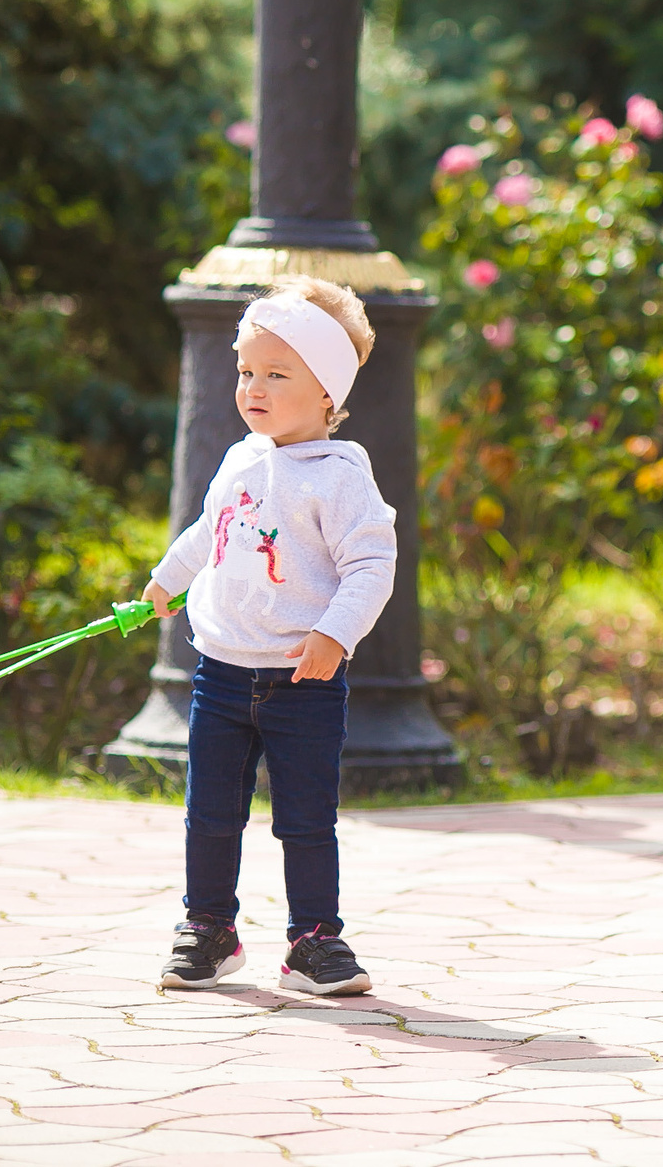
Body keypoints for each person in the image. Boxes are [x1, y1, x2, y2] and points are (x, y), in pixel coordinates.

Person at [146, 277, 397, 997]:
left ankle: (315, 939)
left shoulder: (340, 475)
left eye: (276, 375)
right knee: (211, 813)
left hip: (303, 679)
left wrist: (334, 633)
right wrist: (169, 577)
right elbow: (211, 532)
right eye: (246, 371)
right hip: (220, 672)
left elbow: (372, 564)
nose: (253, 387)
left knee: (307, 817)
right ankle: (208, 928)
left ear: (327, 393)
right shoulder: (240, 459)